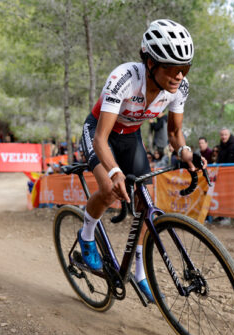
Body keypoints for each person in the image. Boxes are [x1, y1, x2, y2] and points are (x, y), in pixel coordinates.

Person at [80, 19, 205, 303]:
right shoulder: (124, 78)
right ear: (149, 62)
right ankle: (87, 234)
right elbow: (101, 138)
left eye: (184, 69)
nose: (179, 76)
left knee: (145, 202)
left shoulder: (179, 88)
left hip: (131, 138)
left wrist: (185, 152)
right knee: (110, 190)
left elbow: (174, 133)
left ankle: (139, 270)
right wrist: (114, 171)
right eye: (172, 69)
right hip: (101, 132)